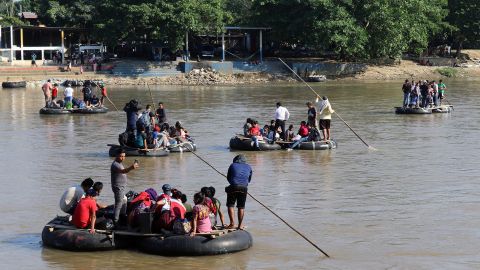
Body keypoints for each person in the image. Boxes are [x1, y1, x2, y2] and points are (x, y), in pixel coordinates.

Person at [110, 149, 139, 227]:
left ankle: (122, 216)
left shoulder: (119, 163)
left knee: (124, 200)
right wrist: (131, 168)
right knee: (118, 204)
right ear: (117, 155)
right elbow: (123, 171)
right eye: (121, 156)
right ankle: (116, 222)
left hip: (122, 187)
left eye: (124, 156)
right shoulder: (115, 164)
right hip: (118, 187)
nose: (122, 158)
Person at [225, 154, 252, 230]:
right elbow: (249, 180)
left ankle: (232, 223)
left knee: (230, 205)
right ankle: (240, 225)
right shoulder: (249, 167)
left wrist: (233, 184)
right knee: (241, 207)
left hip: (234, 186)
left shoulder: (232, 165)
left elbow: (228, 177)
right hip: (244, 188)